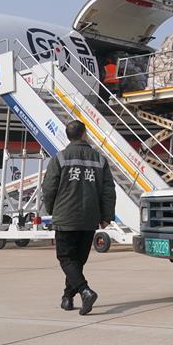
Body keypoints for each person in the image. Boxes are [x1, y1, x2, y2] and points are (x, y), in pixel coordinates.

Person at [41, 120, 116, 315]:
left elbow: (49, 189)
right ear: (84, 134)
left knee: (66, 258)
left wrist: (52, 209)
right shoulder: (100, 159)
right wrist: (106, 216)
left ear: (69, 136)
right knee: (77, 261)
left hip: (66, 217)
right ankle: (67, 297)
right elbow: (109, 191)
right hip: (89, 218)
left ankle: (85, 291)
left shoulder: (60, 158)